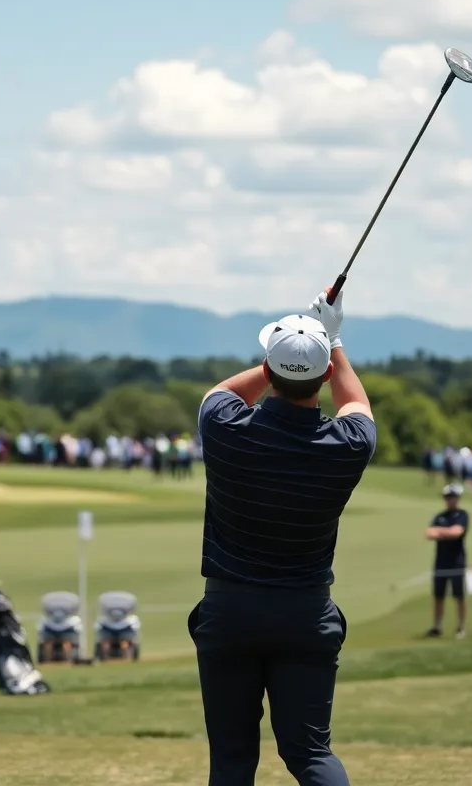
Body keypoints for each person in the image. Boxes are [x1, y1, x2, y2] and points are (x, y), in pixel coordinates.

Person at [189, 289, 374, 786]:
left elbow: (219, 395)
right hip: (305, 616)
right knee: (310, 753)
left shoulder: (227, 430)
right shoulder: (346, 446)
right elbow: (356, 403)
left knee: (231, 758)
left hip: (229, 613)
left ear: (267, 371)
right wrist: (332, 340)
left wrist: (283, 358)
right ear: (326, 376)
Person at [425, 483, 469, 639]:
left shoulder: (462, 515)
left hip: (457, 562)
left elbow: (457, 533)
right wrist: (447, 532)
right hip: (440, 562)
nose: (450, 500)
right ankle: (437, 626)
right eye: (448, 497)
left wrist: (441, 532)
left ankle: (461, 626)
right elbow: (429, 533)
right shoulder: (440, 516)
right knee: (438, 596)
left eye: (453, 497)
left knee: (459, 596)